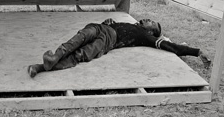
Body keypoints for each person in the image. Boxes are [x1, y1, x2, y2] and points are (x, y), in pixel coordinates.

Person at [27, 18, 211, 78]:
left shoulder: (145, 37)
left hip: (109, 41)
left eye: (151, 23)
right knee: (77, 39)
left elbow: (174, 48)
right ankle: (53, 57)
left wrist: (197, 52)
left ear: (152, 31)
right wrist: (109, 22)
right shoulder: (131, 24)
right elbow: (111, 24)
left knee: (80, 55)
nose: (147, 20)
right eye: (148, 19)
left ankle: (42, 67)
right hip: (100, 28)